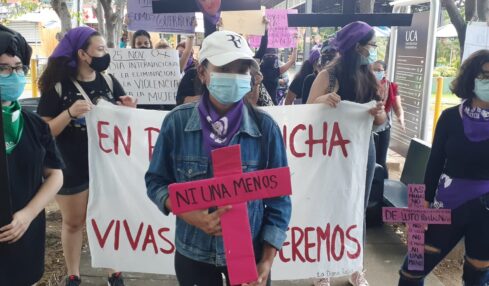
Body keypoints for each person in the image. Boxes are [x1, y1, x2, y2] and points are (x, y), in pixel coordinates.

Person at [145, 30, 291, 286]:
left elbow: (279, 200)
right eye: (225, 68)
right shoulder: (177, 123)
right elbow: (156, 181)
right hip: (193, 254)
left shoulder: (265, 127)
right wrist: (188, 213)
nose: (235, 77)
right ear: (202, 72)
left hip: (250, 254)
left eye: (242, 69)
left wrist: (266, 261)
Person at [37, 26, 136, 286]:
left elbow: (123, 127)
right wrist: (68, 114)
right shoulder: (57, 87)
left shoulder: (110, 81)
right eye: (100, 49)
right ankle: (73, 275)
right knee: (74, 223)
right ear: (82, 53)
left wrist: (129, 111)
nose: (105, 54)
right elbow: (44, 133)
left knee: (106, 219)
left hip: (106, 167)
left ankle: (114, 271)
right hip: (70, 167)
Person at [398, 50, 489, 286]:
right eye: (485, 75)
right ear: (471, 78)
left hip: (485, 214)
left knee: (477, 278)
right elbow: (433, 164)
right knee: (411, 272)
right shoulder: (450, 117)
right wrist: (417, 213)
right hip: (445, 206)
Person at [307, 21, 386, 286]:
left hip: (364, 151)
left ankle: (355, 267)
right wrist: (321, 101)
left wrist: (379, 114)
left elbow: (380, 120)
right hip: (330, 152)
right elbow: (306, 114)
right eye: (371, 45)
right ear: (357, 46)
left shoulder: (369, 77)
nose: (373, 51)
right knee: (327, 207)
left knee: (357, 208)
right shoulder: (327, 77)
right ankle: (323, 270)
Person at [0, 24, 64, 286]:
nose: (13, 74)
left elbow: (55, 174)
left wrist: (28, 214)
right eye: (3, 68)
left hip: (25, 238)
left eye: (18, 68)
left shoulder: (34, 124)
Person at [371, 60, 405, 176]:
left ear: (385, 72)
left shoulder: (391, 86)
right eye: (374, 69)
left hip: (383, 129)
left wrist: (400, 117)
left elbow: (397, 106)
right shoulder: (365, 84)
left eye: (379, 70)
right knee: (369, 160)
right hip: (367, 128)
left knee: (381, 160)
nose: (376, 72)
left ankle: (383, 188)